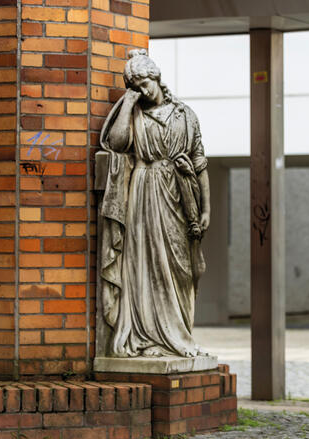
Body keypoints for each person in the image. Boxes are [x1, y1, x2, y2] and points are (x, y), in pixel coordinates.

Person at [99, 49, 210, 358]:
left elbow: (200, 164)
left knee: (180, 267)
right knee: (144, 264)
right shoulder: (133, 111)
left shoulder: (184, 114)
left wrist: (206, 208)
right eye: (133, 84)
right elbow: (118, 143)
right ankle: (148, 337)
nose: (140, 89)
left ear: (157, 78)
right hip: (143, 191)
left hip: (177, 193)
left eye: (143, 82)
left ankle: (179, 334)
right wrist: (128, 105)